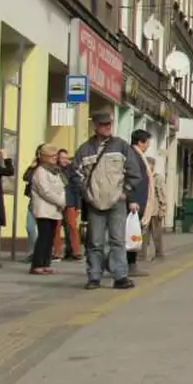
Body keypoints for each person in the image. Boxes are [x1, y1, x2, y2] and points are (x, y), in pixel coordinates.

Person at [73, 110, 141, 290]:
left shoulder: (121, 146)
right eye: (103, 124)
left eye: (109, 124)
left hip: (117, 202)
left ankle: (120, 276)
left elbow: (134, 173)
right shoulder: (84, 150)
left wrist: (125, 192)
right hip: (95, 202)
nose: (107, 127)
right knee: (95, 242)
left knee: (117, 240)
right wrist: (86, 194)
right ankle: (94, 276)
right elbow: (75, 174)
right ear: (95, 126)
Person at [28, 145, 67, 275]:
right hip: (44, 209)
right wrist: (60, 201)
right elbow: (45, 191)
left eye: (55, 156)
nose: (54, 159)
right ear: (44, 158)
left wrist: (62, 200)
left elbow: (61, 187)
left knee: (50, 237)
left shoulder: (55, 171)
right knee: (43, 237)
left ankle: (45, 263)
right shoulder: (40, 171)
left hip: (55, 210)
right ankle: (37, 264)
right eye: (51, 156)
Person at [125, 129, 152, 277]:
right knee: (131, 235)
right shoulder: (133, 156)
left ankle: (131, 264)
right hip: (134, 203)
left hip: (139, 202)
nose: (148, 146)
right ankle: (129, 265)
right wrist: (132, 199)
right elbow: (132, 179)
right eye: (147, 142)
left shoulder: (138, 156)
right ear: (141, 142)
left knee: (133, 234)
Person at [55, 149, 83, 260]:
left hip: (69, 202)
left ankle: (76, 251)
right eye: (62, 158)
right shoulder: (53, 170)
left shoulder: (71, 170)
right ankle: (57, 252)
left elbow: (77, 188)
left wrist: (78, 206)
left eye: (66, 158)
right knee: (56, 228)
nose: (65, 160)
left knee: (72, 226)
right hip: (56, 202)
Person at [22, 144, 44, 259]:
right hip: (33, 200)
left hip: (44, 203)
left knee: (43, 229)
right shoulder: (35, 167)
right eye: (39, 153)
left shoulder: (51, 167)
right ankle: (33, 252)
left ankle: (39, 254)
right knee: (29, 227)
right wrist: (31, 167)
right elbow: (25, 177)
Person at [146, 156, 167, 260]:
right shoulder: (144, 177)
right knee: (143, 234)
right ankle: (141, 254)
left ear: (153, 165)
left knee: (156, 234)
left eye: (148, 164)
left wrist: (162, 209)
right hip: (145, 211)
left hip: (155, 210)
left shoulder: (158, 178)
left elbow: (162, 194)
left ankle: (159, 254)